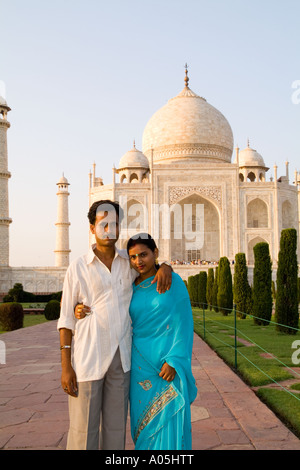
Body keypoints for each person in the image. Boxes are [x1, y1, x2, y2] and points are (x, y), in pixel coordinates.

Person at [57, 201, 172, 450]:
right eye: (104, 224)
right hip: (88, 358)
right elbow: (66, 319)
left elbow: (148, 268)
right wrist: (66, 366)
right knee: (82, 431)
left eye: (115, 224)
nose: (110, 229)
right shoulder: (78, 267)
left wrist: (166, 266)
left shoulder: (127, 263)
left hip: (121, 358)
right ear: (92, 228)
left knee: (115, 429)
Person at [127, 233, 197, 450]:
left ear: (155, 253)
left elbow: (184, 323)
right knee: (143, 428)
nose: (138, 261)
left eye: (144, 255)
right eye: (133, 257)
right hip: (140, 365)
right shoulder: (128, 283)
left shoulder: (171, 281)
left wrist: (174, 360)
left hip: (167, 365)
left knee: (168, 423)